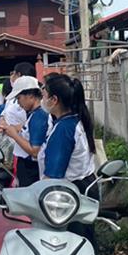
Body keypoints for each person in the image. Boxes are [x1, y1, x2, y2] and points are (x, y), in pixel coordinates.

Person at [38, 74, 98, 244]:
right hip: (83, 189)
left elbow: (53, 176)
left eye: (44, 94)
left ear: (54, 99)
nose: (42, 98)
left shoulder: (63, 130)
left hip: (69, 196)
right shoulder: (75, 120)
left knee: (73, 246)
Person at [2, 76, 49, 187]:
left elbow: (34, 151)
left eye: (19, 98)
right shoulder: (33, 114)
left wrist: (14, 135)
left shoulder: (39, 116)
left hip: (31, 168)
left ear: (30, 96)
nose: (18, 103)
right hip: (26, 167)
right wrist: (14, 128)